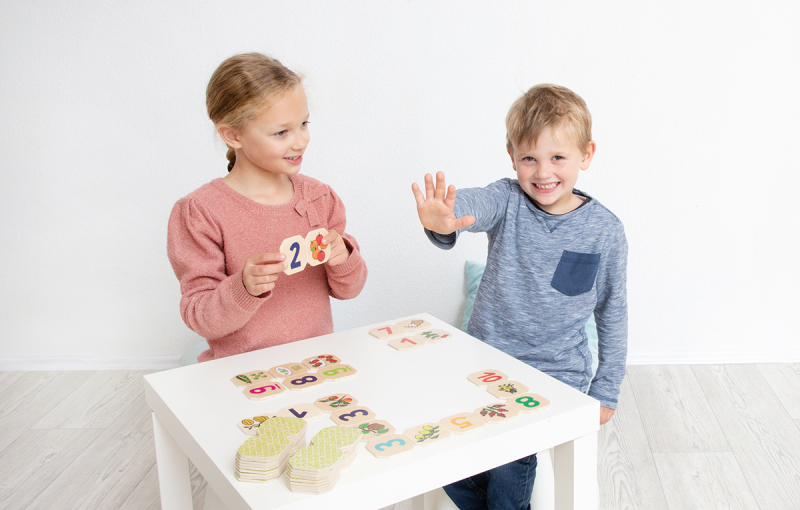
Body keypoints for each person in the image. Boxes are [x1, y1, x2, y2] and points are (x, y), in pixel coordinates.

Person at [411, 84, 627, 510]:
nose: (543, 172)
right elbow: (473, 204)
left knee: (511, 449)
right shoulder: (507, 199)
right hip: (485, 361)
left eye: (557, 157)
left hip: (556, 372)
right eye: (530, 158)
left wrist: (607, 390)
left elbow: (612, 311)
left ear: (586, 154)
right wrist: (445, 219)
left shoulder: (605, 230)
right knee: (433, 436)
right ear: (512, 156)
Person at [168, 53, 367, 363]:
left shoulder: (319, 197)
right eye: (281, 132)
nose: (300, 141)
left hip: (315, 366)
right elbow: (199, 316)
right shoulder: (199, 212)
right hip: (243, 373)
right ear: (233, 135)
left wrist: (343, 258)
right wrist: (243, 288)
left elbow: (349, 290)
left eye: (303, 124)